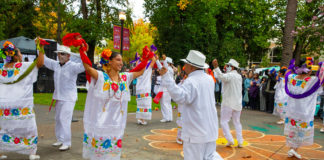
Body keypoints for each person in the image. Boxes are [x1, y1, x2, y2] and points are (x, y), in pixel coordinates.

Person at [80, 46, 145, 159]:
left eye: (121, 60)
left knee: (113, 154)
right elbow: (88, 68)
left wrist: (148, 58)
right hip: (101, 122)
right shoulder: (101, 77)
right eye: (118, 60)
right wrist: (82, 51)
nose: (121, 63)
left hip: (117, 124)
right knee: (100, 154)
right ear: (110, 61)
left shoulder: (125, 77)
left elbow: (140, 71)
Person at [160, 50, 222, 160]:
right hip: (210, 130)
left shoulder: (191, 81)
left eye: (186, 64)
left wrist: (166, 78)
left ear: (192, 67)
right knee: (210, 156)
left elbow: (180, 97)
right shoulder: (208, 79)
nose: (184, 66)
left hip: (196, 132)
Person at [0, 39, 45, 160]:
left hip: (4, 107)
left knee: (3, 128)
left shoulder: (1, 69)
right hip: (22, 105)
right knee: (29, 128)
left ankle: (1, 152)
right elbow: (39, 63)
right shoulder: (22, 67)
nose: (21, 55)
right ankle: (31, 153)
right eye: (19, 52)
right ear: (14, 55)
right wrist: (40, 47)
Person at [43, 44, 85, 151]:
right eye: (58, 54)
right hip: (58, 97)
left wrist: (83, 52)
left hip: (69, 98)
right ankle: (60, 139)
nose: (59, 56)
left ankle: (67, 142)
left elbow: (84, 65)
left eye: (62, 54)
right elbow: (44, 59)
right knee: (58, 119)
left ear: (68, 56)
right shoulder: (56, 64)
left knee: (64, 119)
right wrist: (39, 47)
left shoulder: (73, 66)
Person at [284, 58, 323, 159]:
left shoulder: (292, 78)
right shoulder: (311, 80)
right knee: (301, 131)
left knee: (292, 130)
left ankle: (291, 150)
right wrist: (321, 67)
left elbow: (287, 74)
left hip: (292, 111)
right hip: (304, 112)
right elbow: (321, 79)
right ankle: (293, 150)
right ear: (309, 70)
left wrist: (290, 66)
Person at [213, 59, 244, 148]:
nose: (225, 67)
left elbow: (222, 77)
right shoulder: (239, 76)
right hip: (237, 103)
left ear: (232, 67)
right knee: (237, 122)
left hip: (228, 103)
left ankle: (230, 140)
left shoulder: (231, 75)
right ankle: (240, 141)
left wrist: (216, 67)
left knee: (223, 122)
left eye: (227, 66)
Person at [135, 50, 156, 125]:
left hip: (139, 87)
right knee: (145, 104)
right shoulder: (147, 66)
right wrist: (150, 52)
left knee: (140, 104)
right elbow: (154, 59)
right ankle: (142, 119)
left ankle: (140, 119)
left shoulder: (139, 66)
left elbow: (137, 63)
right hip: (145, 87)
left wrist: (137, 58)